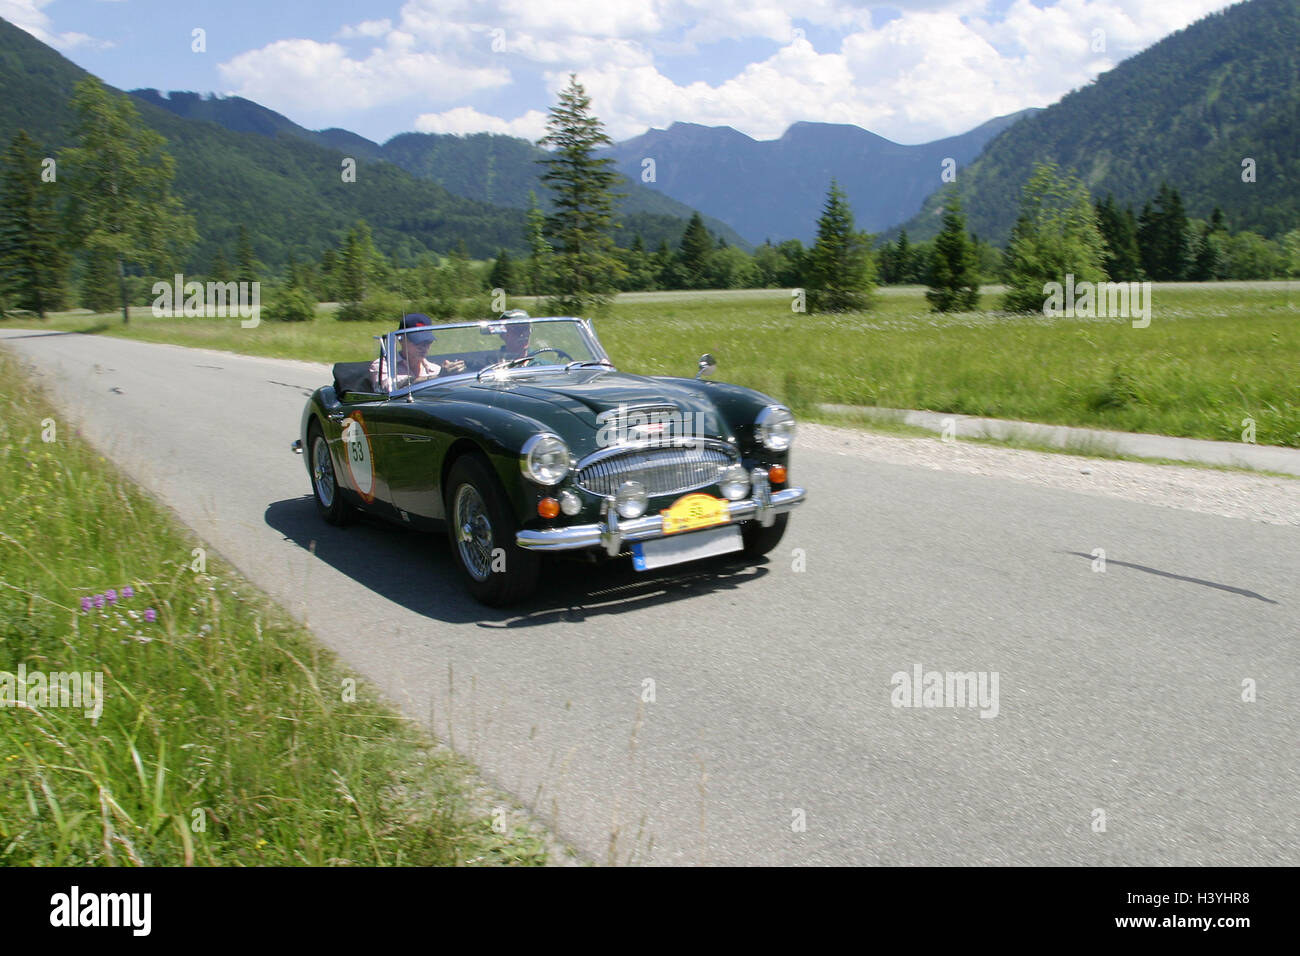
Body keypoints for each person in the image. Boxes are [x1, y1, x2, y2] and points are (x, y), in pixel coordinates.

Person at [369, 314, 465, 391]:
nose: (423, 347)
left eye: (428, 342)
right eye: (417, 341)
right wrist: (437, 377)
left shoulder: (435, 369)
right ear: (401, 340)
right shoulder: (383, 365)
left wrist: (455, 375)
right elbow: (387, 388)